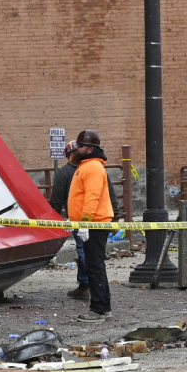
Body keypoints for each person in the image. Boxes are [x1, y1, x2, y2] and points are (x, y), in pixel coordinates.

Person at [49, 140, 123, 301]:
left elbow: (57, 201)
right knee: (92, 257)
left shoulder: (72, 171)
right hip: (91, 220)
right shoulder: (94, 168)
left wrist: (54, 221)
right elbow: (110, 194)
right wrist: (115, 217)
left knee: (87, 255)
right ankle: (91, 290)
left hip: (85, 220)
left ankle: (89, 288)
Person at [68, 129, 115, 323]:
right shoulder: (88, 166)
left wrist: (85, 223)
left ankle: (98, 310)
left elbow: (91, 197)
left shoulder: (92, 167)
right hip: (93, 224)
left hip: (94, 224)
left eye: (80, 146)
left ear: (89, 148)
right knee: (96, 266)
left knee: (94, 267)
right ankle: (103, 307)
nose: (76, 149)